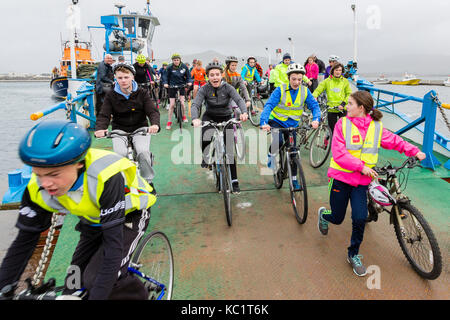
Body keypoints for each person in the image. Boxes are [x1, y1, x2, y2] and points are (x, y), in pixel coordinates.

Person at [0, 120, 157, 300]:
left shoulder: (105, 178)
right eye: (38, 174)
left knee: (99, 278)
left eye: (54, 174)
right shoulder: (37, 189)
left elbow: (113, 247)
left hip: (130, 216)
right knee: (73, 283)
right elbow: (23, 243)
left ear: (79, 164)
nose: (45, 183)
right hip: (93, 220)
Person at [317, 90, 426, 277]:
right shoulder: (342, 124)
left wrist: (414, 151)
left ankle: (353, 254)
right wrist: (361, 167)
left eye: (350, 104)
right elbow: (339, 153)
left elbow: (394, 141)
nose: (347, 106)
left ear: (361, 108)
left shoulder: (376, 127)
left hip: (360, 182)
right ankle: (323, 215)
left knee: (359, 218)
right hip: (341, 179)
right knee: (337, 217)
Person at [95, 63, 160, 189]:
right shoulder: (111, 95)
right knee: (120, 154)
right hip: (119, 129)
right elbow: (104, 114)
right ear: (115, 78)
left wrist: (155, 124)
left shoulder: (142, 93)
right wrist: (100, 129)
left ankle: (148, 182)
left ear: (132, 77)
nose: (123, 80)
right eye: (119, 78)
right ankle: (124, 184)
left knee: (142, 152)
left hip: (140, 128)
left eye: (126, 77)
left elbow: (152, 111)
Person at [260, 64, 321, 190]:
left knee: (293, 152)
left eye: (299, 79)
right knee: (278, 141)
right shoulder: (280, 90)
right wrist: (264, 122)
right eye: (294, 79)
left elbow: (315, 106)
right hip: (277, 121)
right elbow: (269, 105)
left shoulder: (305, 91)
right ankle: (271, 156)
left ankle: (294, 180)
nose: (297, 82)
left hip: (292, 124)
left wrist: (316, 119)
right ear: (288, 78)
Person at [191, 62, 249, 193]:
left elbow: (239, 100)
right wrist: (195, 118)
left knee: (229, 150)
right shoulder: (204, 89)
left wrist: (244, 112)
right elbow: (196, 104)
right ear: (208, 77)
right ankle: (206, 156)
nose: (215, 77)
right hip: (209, 117)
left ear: (221, 75)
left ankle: (234, 181)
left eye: (217, 74)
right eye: (212, 75)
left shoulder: (228, 87)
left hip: (226, 117)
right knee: (205, 137)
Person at [313, 62, 352, 137]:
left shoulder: (345, 81)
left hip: (342, 108)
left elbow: (349, 94)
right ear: (333, 70)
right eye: (336, 70)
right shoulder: (327, 81)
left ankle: (342, 145)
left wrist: (343, 104)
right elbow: (318, 90)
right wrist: (314, 96)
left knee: (343, 129)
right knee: (332, 130)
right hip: (331, 108)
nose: (338, 72)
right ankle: (331, 144)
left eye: (340, 70)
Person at [162, 53, 193, 129]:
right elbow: (165, 76)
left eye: (177, 60)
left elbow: (189, 76)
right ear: (172, 60)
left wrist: (189, 82)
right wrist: (165, 83)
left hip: (181, 86)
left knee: (182, 103)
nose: (176, 61)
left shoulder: (184, 66)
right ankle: (169, 122)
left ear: (180, 60)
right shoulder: (169, 67)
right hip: (172, 86)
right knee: (172, 105)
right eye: (174, 60)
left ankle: (184, 116)